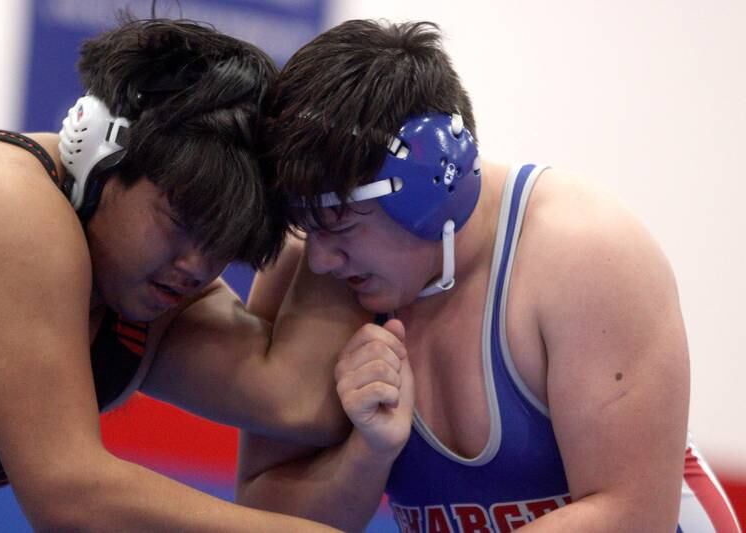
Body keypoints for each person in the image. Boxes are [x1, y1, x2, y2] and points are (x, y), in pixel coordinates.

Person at [235, 19, 742, 532]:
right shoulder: (308, 267)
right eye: (307, 223)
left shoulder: (582, 253)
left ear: (431, 190)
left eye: (340, 224)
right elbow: (264, 518)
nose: (320, 259)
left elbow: (633, 515)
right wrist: (367, 454)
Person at [0, 15, 346, 531]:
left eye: (222, 243)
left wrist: (334, 203)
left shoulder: (142, 287)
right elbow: (66, 493)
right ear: (98, 154)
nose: (195, 267)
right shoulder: (3, 203)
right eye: (179, 221)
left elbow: (296, 398)